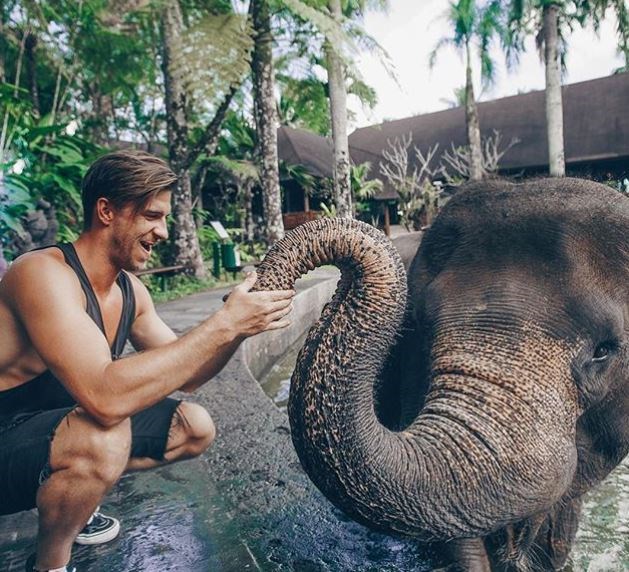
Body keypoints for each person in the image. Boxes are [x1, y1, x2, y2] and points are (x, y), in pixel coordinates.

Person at [0, 150, 295, 572]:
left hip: (57, 427)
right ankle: (48, 565)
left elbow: (189, 375)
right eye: (152, 216)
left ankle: (73, 500)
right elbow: (104, 396)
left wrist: (235, 327)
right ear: (106, 211)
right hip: (6, 435)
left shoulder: (132, 293)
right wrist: (220, 325)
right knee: (105, 435)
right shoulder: (42, 274)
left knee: (194, 427)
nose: (162, 231)